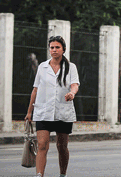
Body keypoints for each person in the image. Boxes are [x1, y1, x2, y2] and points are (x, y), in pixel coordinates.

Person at [25, 35, 80, 177]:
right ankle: (39, 175)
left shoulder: (71, 67)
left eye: (57, 47)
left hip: (63, 112)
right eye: (52, 47)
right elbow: (35, 90)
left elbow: (74, 85)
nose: (54, 50)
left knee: (62, 147)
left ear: (63, 49)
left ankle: (63, 174)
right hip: (43, 112)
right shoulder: (42, 67)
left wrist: (72, 93)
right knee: (42, 145)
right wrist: (29, 112)